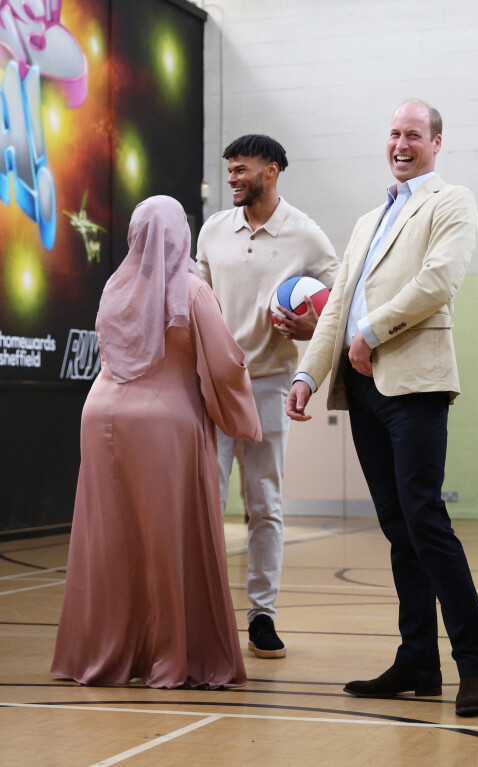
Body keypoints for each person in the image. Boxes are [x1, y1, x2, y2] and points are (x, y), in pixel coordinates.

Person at [286, 100, 478, 716]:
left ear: (436, 143)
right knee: (399, 530)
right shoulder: (367, 220)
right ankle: (417, 662)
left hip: (417, 386)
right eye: (394, 134)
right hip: (364, 393)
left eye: (413, 135)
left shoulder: (452, 202)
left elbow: (438, 282)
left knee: (426, 520)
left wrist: (371, 332)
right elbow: (335, 307)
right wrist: (306, 374)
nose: (401, 143)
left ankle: (474, 667)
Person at [51, 195, 262, 689]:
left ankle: (105, 651)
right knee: (168, 538)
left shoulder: (116, 286)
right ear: (181, 236)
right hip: (163, 425)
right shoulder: (191, 289)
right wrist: (245, 418)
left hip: (101, 416)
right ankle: (168, 655)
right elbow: (226, 364)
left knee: (110, 539)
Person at [197, 134, 340, 658]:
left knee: (265, 505)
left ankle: (262, 616)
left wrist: (312, 324)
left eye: (241, 169)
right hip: (212, 384)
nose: (233, 177)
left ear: (272, 170)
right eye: (229, 170)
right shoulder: (213, 231)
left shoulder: (305, 234)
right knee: (205, 505)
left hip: (270, 384)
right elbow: (198, 302)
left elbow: (341, 299)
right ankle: (204, 612)